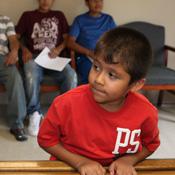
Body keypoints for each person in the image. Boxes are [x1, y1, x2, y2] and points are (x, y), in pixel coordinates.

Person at [38, 27, 160, 175]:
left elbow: (151, 144)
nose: (98, 80)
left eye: (112, 75)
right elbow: (46, 139)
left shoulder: (146, 112)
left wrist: (130, 160)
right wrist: (79, 162)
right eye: (96, 67)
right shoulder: (65, 103)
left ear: (135, 85)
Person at [16, 0, 77, 137]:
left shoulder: (59, 15)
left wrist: (59, 48)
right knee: (30, 71)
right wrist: (24, 49)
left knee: (71, 75)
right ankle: (34, 113)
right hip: (35, 58)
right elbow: (16, 38)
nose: (45, 1)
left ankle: (64, 114)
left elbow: (67, 39)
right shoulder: (27, 16)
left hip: (54, 57)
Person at [67, 0, 116, 84]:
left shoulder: (108, 19)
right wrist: (89, 52)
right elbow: (70, 42)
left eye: (100, 0)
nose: (97, 3)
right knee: (91, 75)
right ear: (87, 3)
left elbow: (116, 39)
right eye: (94, 0)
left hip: (105, 56)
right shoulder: (79, 20)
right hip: (86, 57)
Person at [0, 15, 27, 141]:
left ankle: (17, 124)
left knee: (15, 77)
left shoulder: (5, 19)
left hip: (2, 59)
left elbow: (13, 40)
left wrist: (14, 51)